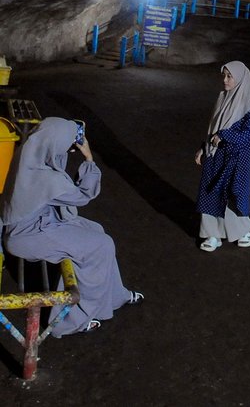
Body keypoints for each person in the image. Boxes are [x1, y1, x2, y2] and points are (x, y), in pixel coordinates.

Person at [0, 117, 143, 336]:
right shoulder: (48, 179)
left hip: (33, 225)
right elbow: (85, 195)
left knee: (96, 231)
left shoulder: (27, 157)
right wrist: (88, 157)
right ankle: (69, 322)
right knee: (101, 245)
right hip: (29, 235)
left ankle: (115, 296)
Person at [195, 61, 250, 252]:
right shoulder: (222, 98)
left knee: (231, 194)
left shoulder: (249, 107)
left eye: (229, 76)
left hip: (235, 159)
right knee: (208, 192)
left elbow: (247, 135)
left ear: (239, 79)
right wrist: (203, 147)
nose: (225, 80)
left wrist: (224, 135)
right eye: (224, 75)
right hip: (215, 155)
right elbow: (213, 127)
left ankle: (244, 230)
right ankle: (212, 234)